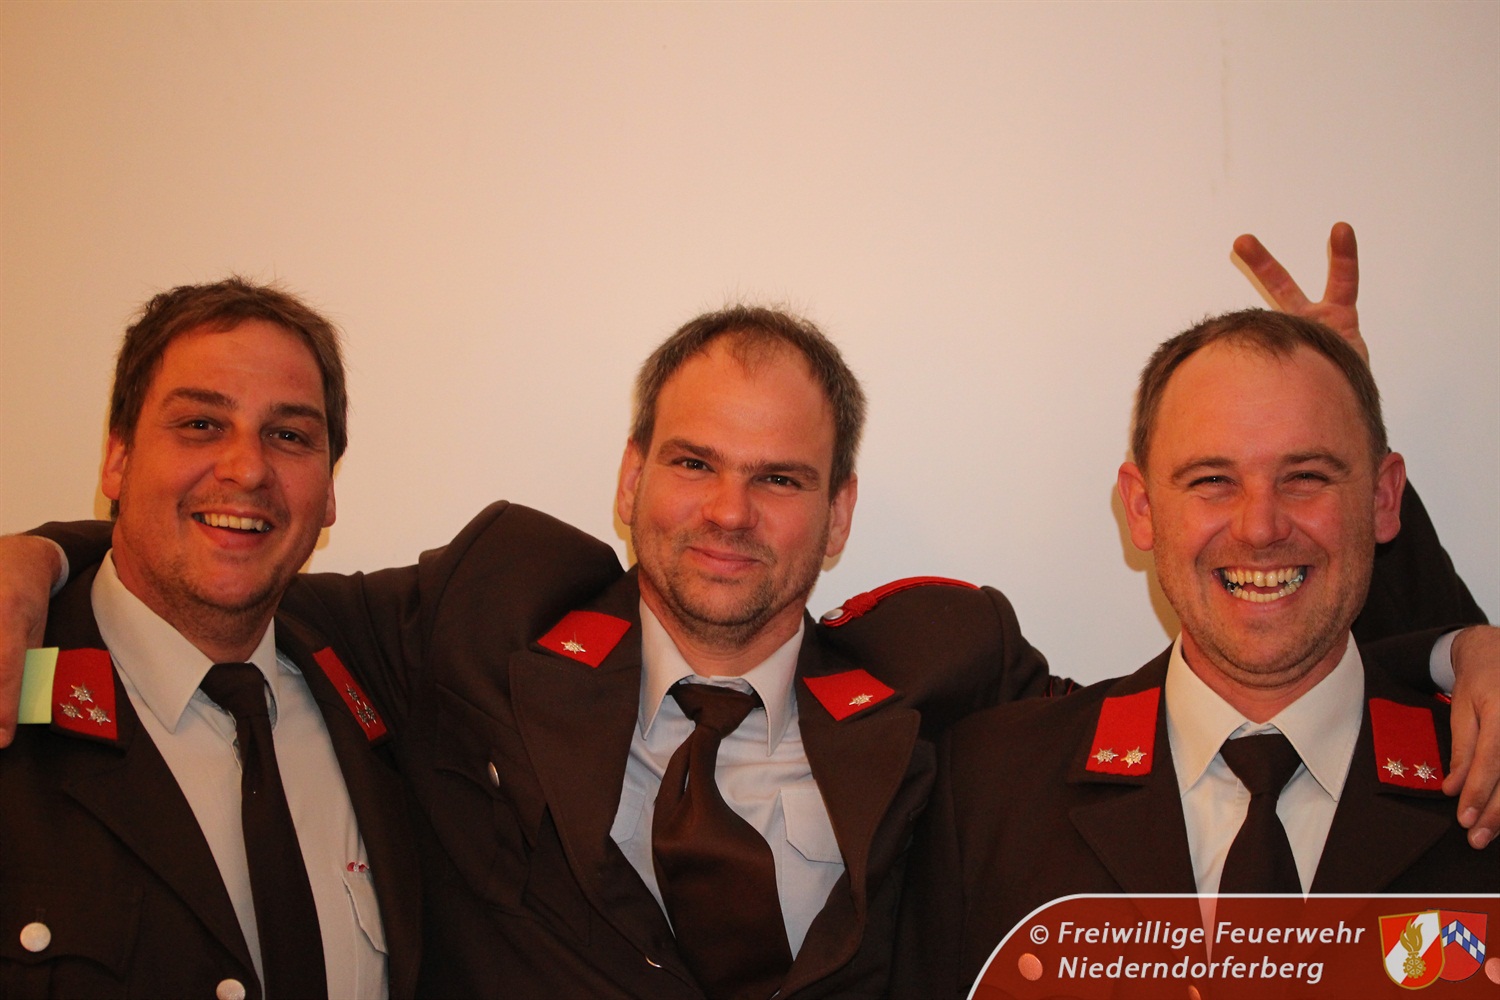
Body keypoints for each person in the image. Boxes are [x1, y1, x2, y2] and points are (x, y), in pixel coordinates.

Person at [1, 227, 1494, 999]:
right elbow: (235, 558)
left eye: (781, 478)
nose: (729, 513)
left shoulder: (948, 678)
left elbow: (1237, 659)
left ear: (838, 515)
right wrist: (41, 560)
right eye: (695, 464)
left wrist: (1443, 635)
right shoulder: (483, 620)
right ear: (629, 478)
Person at [889, 307, 1500, 999]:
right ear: (1142, 508)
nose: (1260, 527)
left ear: (1385, 498)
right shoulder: (987, 788)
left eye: (1305, 476)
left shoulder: (1479, 774)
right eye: (1212, 480)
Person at [0, 280, 421, 999]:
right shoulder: (18, 680)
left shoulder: (379, 680)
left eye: (289, 436)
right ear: (118, 458)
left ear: (328, 491)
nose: (247, 468)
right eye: (200, 424)